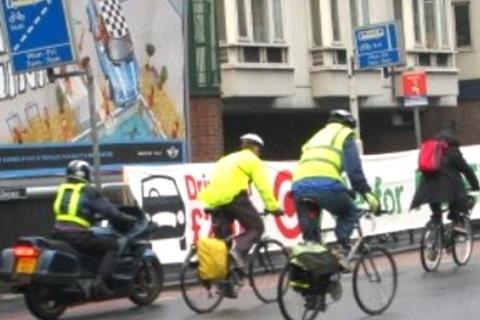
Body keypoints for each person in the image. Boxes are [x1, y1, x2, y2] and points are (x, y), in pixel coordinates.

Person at [291, 109, 380, 266]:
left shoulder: (315, 137)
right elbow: (353, 170)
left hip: (299, 186)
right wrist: (366, 192)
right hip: (325, 184)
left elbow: (313, 165)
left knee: (312, 242)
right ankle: (341, 249)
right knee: (350, 211)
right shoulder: (344, 134)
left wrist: (345, 190)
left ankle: (316, 280)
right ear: (349, 124)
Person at [199, 133, 283, 272]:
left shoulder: (225, 158)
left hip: (214, 201)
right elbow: (264, 188)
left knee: (223, 241)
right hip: (235, 197)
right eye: (259, 150)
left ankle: (224, 280)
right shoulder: (254, 161)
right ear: (256, 148)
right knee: (256, 228)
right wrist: (273, 207)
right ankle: (238, 252)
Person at [51, 160, 136, 295]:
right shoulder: (88, 191)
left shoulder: (63, 190)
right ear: (85, 174)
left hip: (58, 233)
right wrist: (124, 218)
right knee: (112, 245)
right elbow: (110, 211)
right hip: (77, 235)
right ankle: (100, 282)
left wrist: (89, 217)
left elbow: (73, 211)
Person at [410, 130, 479, 231]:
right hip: (447, 188)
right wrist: (475, 185)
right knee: (459, 194)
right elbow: (466, 170)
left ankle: (435, 225)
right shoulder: (453, 151)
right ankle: (454, 217)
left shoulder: (429, 150)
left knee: (436, 210)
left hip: (426, 187)